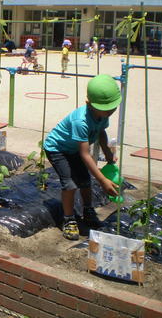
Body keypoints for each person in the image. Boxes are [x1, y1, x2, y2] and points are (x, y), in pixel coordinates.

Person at [43, 74, 121, 240]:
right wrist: (102, 180)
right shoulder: (81, 121)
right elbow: (85, 154)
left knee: (85, 180)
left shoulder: (102, 115)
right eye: (106, 108)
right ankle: (69, 219)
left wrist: (107, 151)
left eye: (112, 108)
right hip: (57, 148)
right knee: (69, 184)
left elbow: (101, 132)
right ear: (89, 104)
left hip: (73, 149)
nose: (110, 112)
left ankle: (88, 210)